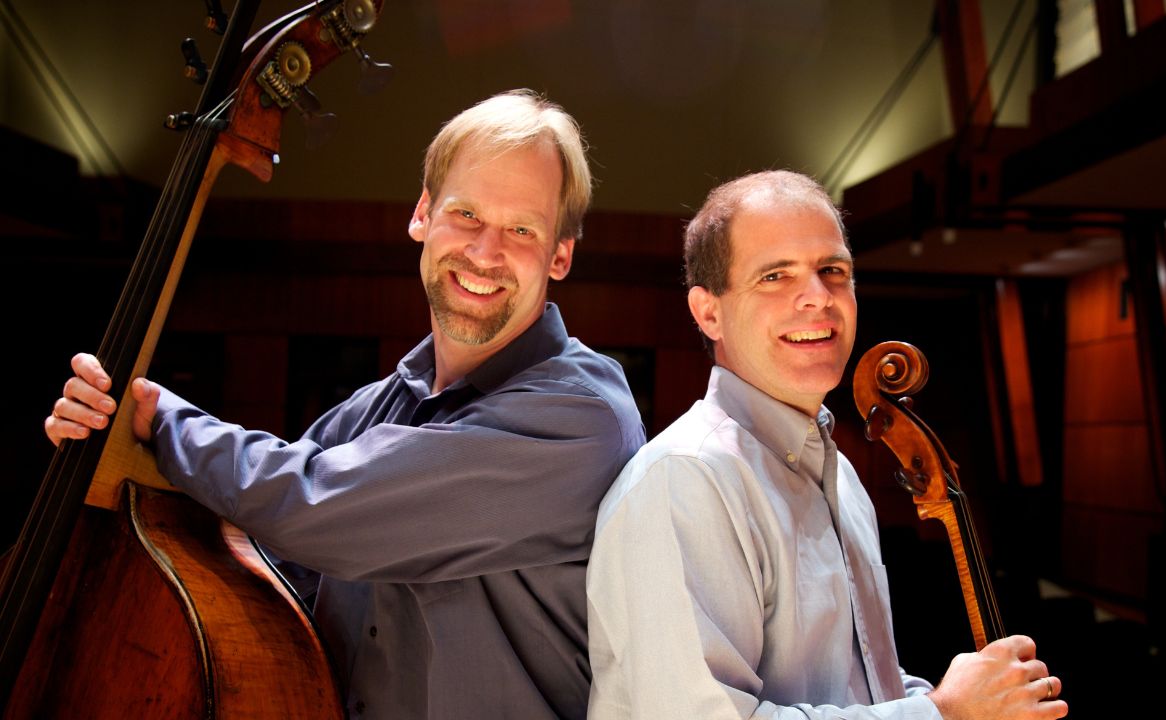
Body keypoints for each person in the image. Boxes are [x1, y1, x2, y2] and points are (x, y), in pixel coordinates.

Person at [45, 89, 646, 719]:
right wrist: (111, 445)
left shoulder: (582, 416)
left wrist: (157, 418)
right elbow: (258, 542)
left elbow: (311, 503)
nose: (485, 251)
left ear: (560, 254)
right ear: (423, 216)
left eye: (521, 229)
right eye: (466, 214)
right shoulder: (369, 412)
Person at [585, 170, 1068, 720]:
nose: (817, 297)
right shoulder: (684, 481)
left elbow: (857, 689)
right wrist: (940, 713)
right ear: (708, 312)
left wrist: (953, 699)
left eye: (832, 271)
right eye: (775, 277)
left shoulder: (843, 479)